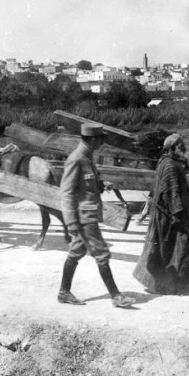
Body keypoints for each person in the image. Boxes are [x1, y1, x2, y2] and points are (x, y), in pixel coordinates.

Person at [58, 123, 135, 308]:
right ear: (92, 140)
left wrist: (101, 185)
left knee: (76, 252)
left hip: (88, 214)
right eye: (100, 139)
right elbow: (66, 193)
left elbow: (87, 185)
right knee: (102, 254)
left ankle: (63, 292)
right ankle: (116, 296)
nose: (102, 143)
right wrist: (71, 223)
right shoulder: (76, 159)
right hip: (84, 218)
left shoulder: (87, 157)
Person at [133, 133, 189, 294]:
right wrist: (178, 213)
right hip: (168, 215)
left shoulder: (166, 162)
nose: (183, 149)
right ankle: (163, 285)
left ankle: (165, 283)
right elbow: (172, 192)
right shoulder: (170, 166)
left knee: (164, 248)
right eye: (180, 146)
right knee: (168, 248)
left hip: (164, 213)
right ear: (172, 148)